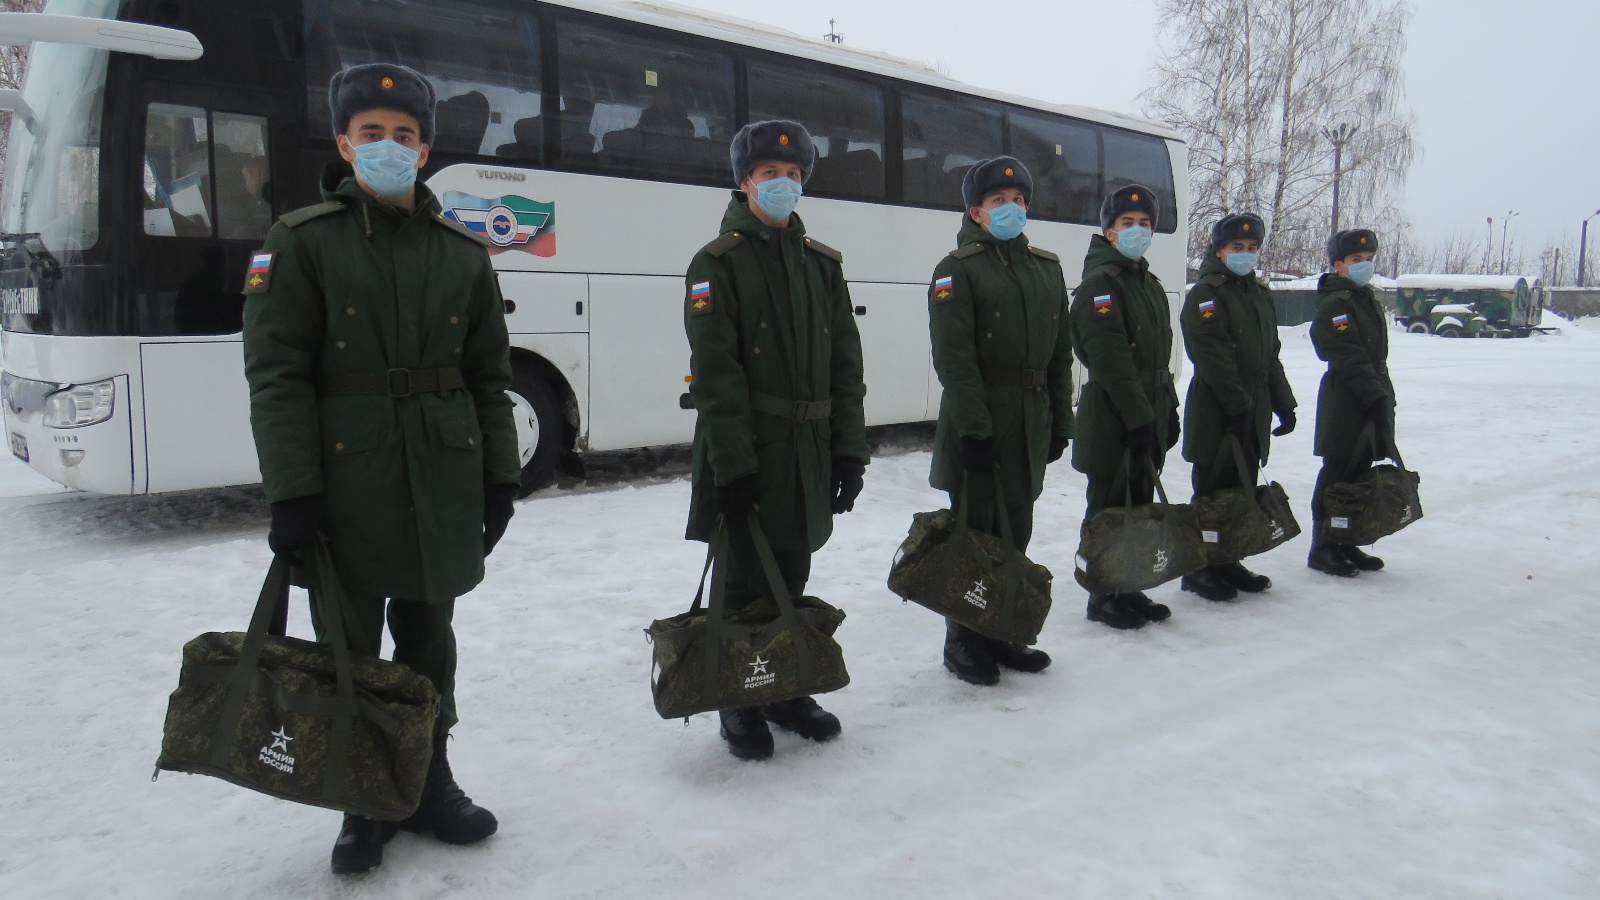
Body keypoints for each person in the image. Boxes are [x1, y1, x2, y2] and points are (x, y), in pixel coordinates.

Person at [242, 63, 519, 875]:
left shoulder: (461, 253)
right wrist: (293, 493)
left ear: (425, 150)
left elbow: (488, 378)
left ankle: (430, 779)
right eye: (373, 133)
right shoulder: (301, 242)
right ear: (344, 144)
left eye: (405, 135)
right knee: (350, 644)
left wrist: (500, 477)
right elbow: (277, 377)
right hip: (346, 482)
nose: (389, 147)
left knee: (430, 637)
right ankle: (362, 797)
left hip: (441, 474)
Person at [682, 119, 869, 760]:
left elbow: (845, 363)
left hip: (808, 448)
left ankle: (787, 689)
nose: (783, 183)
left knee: (792, 569)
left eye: (793, 174)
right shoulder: (718, 262)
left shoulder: (822, 265)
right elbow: (716, 375)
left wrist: (849, 450)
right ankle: (739, 700)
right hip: (749, 447)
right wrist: (733, 468)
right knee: (743, 579)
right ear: (745, 181)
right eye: (770, 173)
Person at [926, 156, 1073, 684]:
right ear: (976, 211)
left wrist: (1061, 421)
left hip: (1030, 419)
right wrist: (975, 431)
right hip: (983, 417)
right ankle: (963, 639)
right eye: (998, 201)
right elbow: (955, 360)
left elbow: (1060, 354)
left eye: (1019, 200)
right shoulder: (957, 269)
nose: (1012, 208)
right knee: (977, 532)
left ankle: (1001, 628)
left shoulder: (1046, 268)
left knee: (1016, 528)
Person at [1069, 185, 1180, 630]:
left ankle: (1128, 584)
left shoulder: (1148, 284)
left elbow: (1159, 359)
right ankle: (1103, 594)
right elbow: (1109, 358)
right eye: (1127, 223)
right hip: (1115, 414)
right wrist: (1138, 416)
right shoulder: (1101, 284)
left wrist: (1168, 409)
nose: (1138, 230)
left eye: (1145, 223)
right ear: (1109, 231)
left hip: (1148, 409)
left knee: (1139, 504)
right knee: (1110, 506)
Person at [1178, 213, 1297, 601]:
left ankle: (1228, 559)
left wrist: (1284, 403)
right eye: (1236, 247)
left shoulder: (1258, 294)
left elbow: (1270, 355)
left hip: (1252, 406)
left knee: (1239, 488)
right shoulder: (1206, 294)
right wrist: (1236, 406)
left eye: (1251, 248)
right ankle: (1201, 567)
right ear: (1219, 250)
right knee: (1212, 490)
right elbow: (1211, 356)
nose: (1245, 253)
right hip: (1218, 407)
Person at [1308, 228, 1394, 577]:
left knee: (1360, 470)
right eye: (1356, 259)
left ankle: (1347, 540)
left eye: (1369, 259)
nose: (1364, 265)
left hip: (1369, 391)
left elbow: (1374, 357)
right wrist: (1374, 395)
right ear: (1338, 265)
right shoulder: (1337, 304)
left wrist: (1382, 397)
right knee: (1338, 471)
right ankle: (1323, 546)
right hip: (1346, 396)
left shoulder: (1364, 299)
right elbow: (1348, 355)